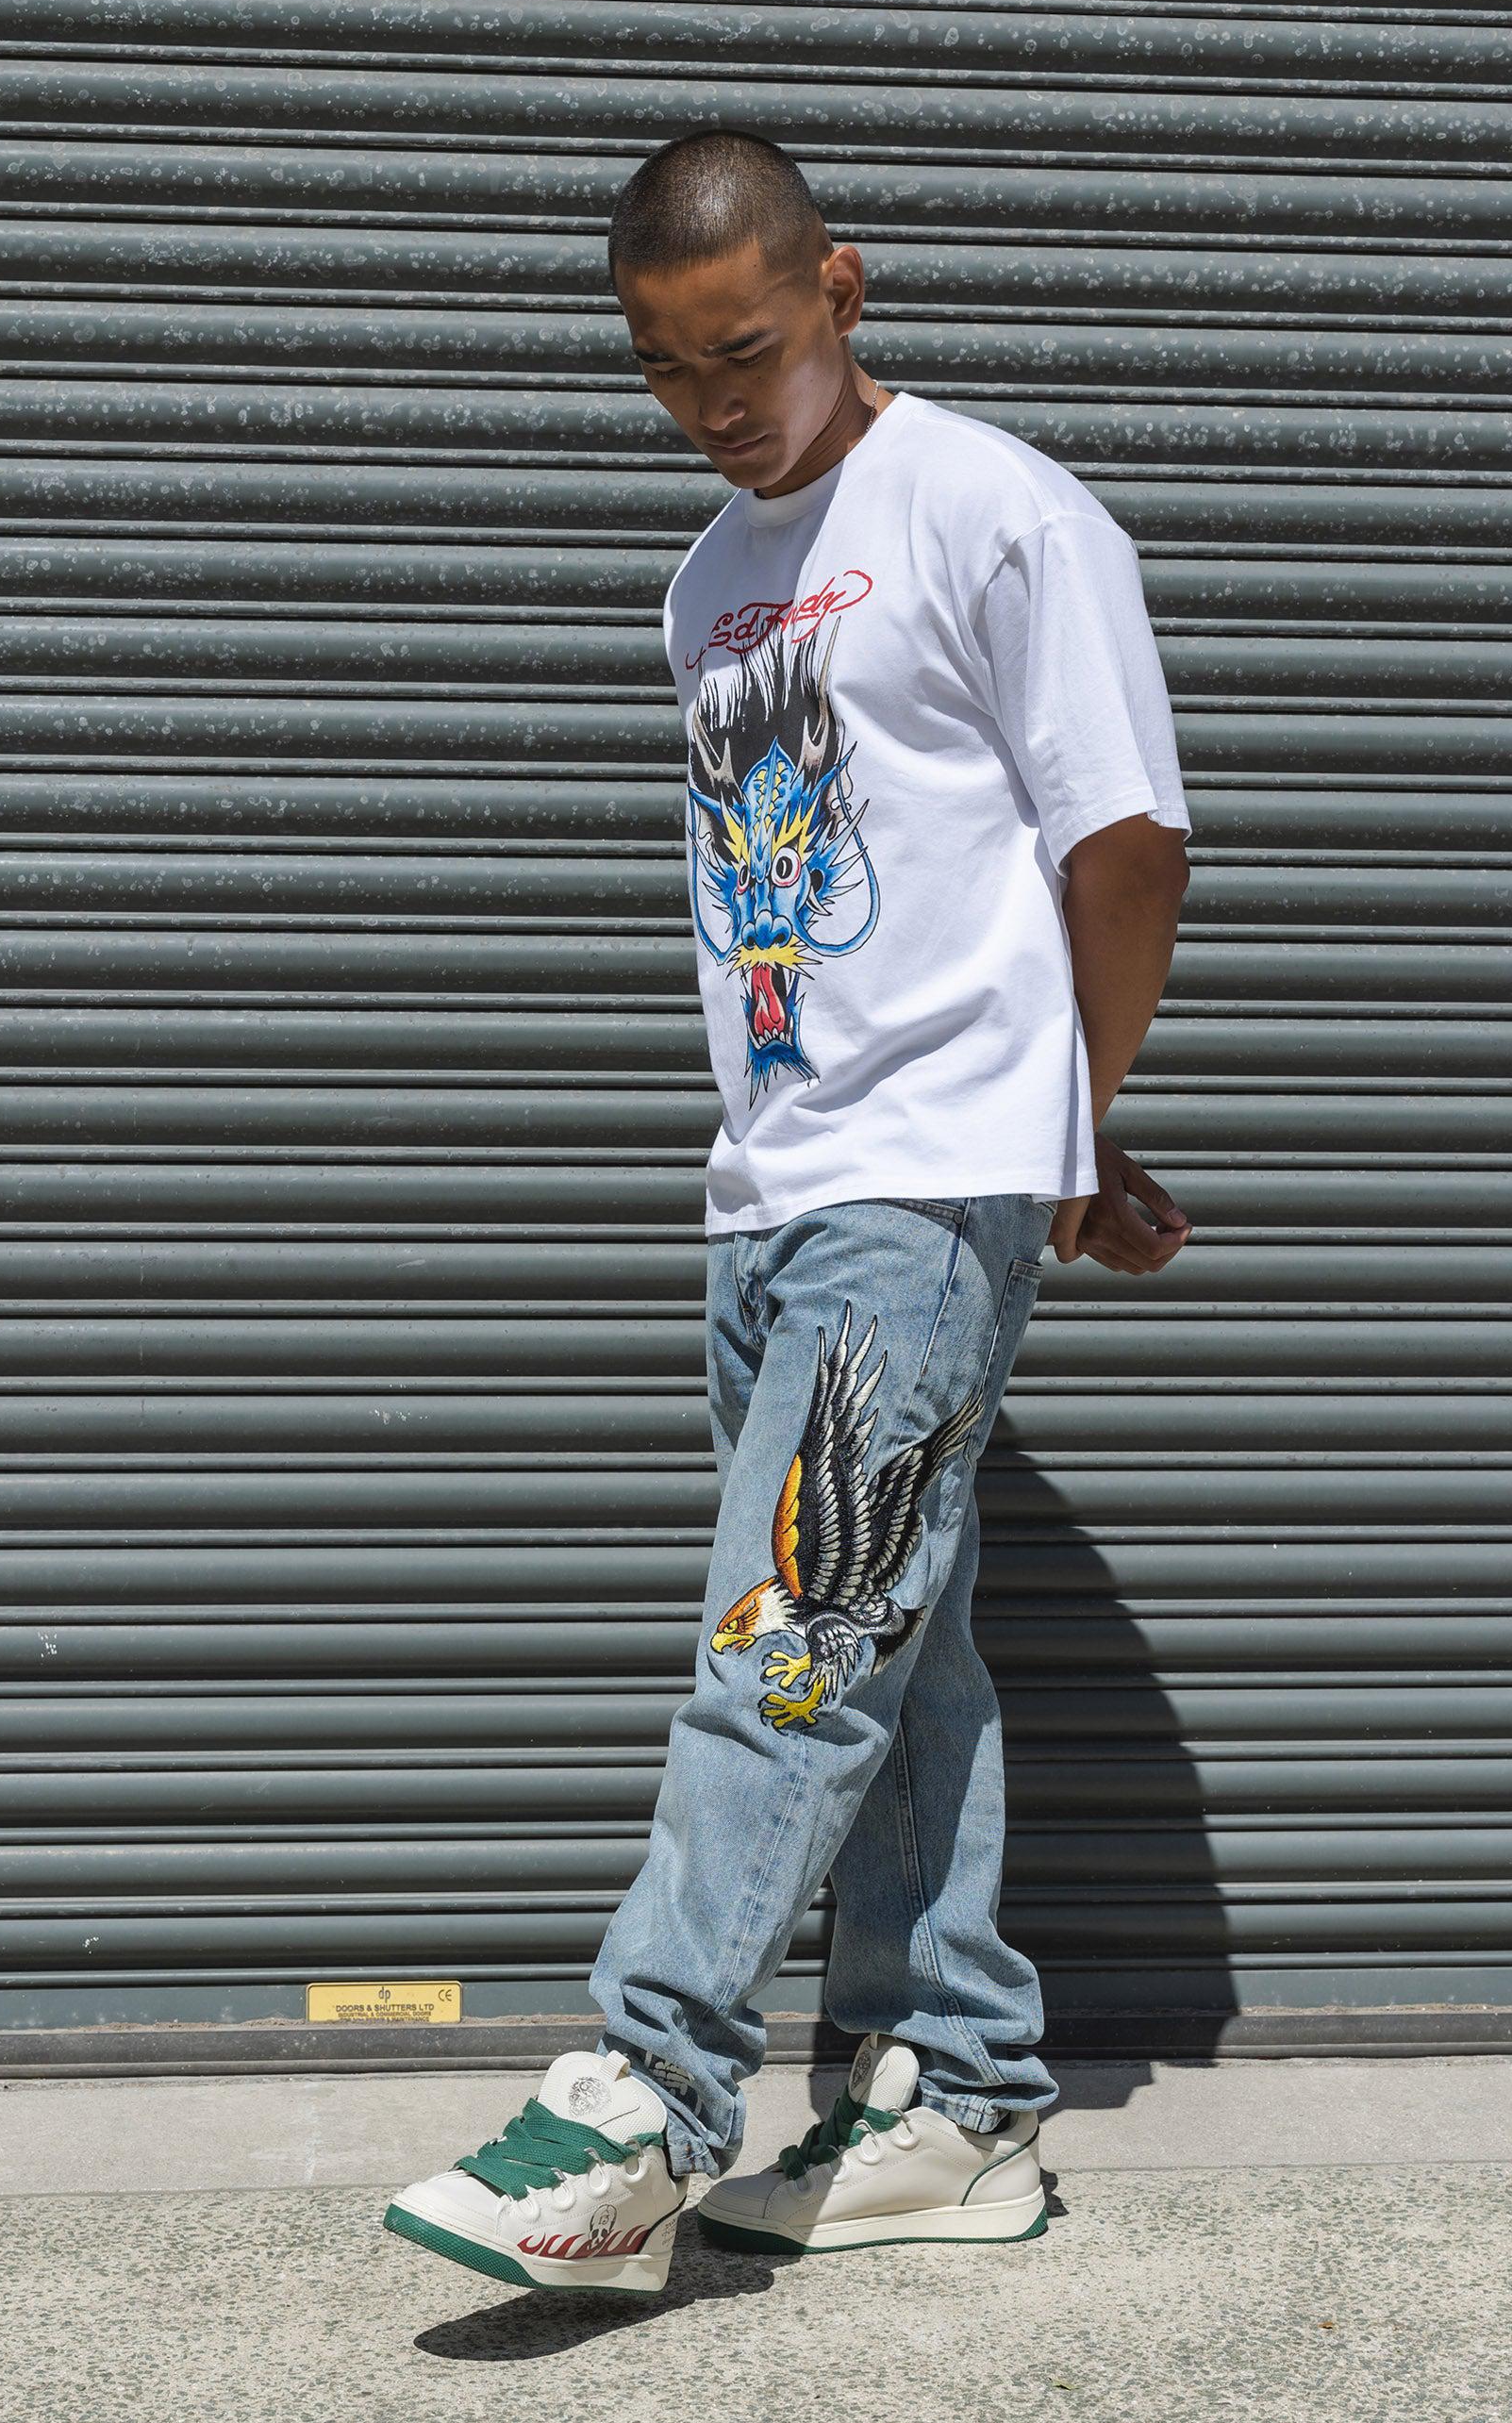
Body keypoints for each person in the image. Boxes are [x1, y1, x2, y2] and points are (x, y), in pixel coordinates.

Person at [385, 123, 1193, 2299]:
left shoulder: (993, 512)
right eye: (664, 371)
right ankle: (955, 2096)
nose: (712, 405)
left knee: (788, 1637)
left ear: (844, 288)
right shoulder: (709, 581)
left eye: (744, 352)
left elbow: (1125, 842)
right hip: (773, 1187)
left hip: (917, 1182)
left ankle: (647, 2095)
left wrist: (1061, 1120)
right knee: (891, 1652)